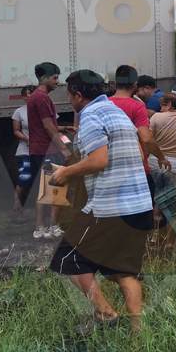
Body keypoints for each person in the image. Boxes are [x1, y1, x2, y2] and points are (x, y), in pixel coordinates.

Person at [48, 70, 154, 332]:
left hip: (109, 208)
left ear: (77, 95)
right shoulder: (117, 112)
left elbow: (99, 160)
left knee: (67, 260)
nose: (69, 100)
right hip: (139, 204)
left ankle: (106, 313)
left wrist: (65, 173)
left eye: (69, 95)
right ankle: (138, 332)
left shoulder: (91, 115)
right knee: (124, 270)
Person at [28, 62, 72, 240]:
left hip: (39, 149)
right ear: (44, 78)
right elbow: (47, 126)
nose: (57, 81)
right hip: (48, 150)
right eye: (55, 78)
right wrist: (64, 148)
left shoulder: (36, 97)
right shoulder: (42, 98)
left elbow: (46, 125)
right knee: (56, 187)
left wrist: (64, 127)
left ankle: (41, 228)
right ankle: (52, 226)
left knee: (44, 188)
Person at [110, 66, 171, 190]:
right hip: (136, 168)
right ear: (135, 84)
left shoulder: (105, 104)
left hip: (112, 168)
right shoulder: (137, 106)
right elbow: (146, 139)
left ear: (116, 83)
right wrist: (161, 157)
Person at [11, 86, 36, 219]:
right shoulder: (19, 112)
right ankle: (17, 206)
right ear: (23, 97)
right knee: (24, 177)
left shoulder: (44, 109)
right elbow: (16, 130)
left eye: (32, 94)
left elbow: (52, 126)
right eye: (27, 94)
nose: (29, 97)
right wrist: (27, 139)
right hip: (24, 150)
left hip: (41, 150)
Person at [149, 93, 176, 175]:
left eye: (162, 106)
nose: (160, 110)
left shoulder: (156, 117)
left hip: (156, 161)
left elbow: (148, 139)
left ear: (169, 105)